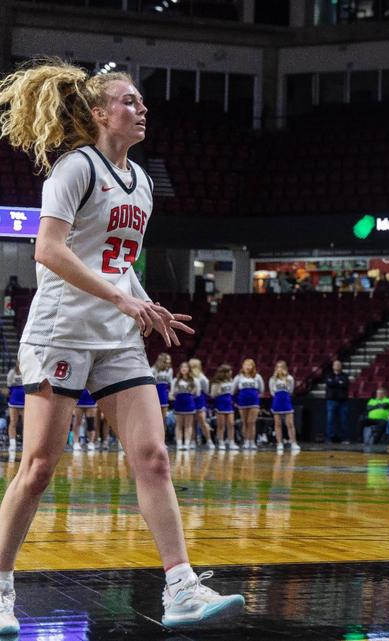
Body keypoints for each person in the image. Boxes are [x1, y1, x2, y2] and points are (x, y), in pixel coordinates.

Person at [0, 60, 248, 626]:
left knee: (154, 458)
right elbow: (49, 250)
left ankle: (181, 587)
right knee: (38, 467)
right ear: (97, 112)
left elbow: (117, 262)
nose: (141, 110)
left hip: (115, 340)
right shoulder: (74, 168)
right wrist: (122, 299)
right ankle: (1, 587)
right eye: (129, 101)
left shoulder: (143, 182)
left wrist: (142, 298)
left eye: (141, 104)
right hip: (61, 330)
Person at [269, 361, 299, 454]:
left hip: (286, 401)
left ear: (285, 368)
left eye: (281, 367)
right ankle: (279, 444)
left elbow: (291, 391)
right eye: (278, 367)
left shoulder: (290, 378)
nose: (279, 369)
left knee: (290, 424)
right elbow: (272, 392)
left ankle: (293, 443)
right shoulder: (272, 379)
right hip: (277, 401)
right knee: (277, 424)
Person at [234, 358, 263, 451]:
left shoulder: (257, 376)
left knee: (251, 422)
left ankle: (252, 441)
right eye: (246, 364)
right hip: (242, 401)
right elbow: (233, 389)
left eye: (250, 365)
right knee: (245, 422)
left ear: (253, 366)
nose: (247, 366)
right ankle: (246, 441)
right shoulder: (238, 377)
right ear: (243, 366)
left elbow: (261, 389)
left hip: (254, 401)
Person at [172, 362, 198, 450]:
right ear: (180, 369)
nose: (184, 368)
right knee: (178, 425)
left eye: (186, 367)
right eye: (182, 367)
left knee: (188, 425)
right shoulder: (175, 380)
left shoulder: (194, 380)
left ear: (189, 369)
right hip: (178, 403)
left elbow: (197, 392)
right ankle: (179, 444)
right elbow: (172, 393)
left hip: (189, 403)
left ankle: (187, 443)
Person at [210, 364, 236, 452]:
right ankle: (220, 442)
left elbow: (232, 392)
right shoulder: (216, 382)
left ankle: (231, 441)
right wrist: (219, 390)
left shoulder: (231, 380)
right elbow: (213, 394)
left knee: (231, 424)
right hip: (220, 403)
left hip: (229, 403)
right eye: (229, 371)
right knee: (221, 425)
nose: (231, 372)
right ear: (224, 373)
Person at [188, 358, 213, 450]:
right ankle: (193, 441)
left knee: (202, 421)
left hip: (199, 400)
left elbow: (206, 390)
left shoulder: (202, 377)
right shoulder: (187, 376)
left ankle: (209, 440)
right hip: (189, 398)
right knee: (191, 422)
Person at [324, 360, 350, 443]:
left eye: (339, 364)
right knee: (330, 420)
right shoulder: (329, 375)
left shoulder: (345, 376)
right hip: (331, 401)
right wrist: (338, 383)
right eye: (335, 364)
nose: (337, 366)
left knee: (344, 420)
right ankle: (330, 438)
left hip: (343, 401)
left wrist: (335, 383)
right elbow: (329, 384)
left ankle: (344, 438)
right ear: (333, 366)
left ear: (341, 366)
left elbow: (344, 384)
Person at [5, 366, 22, 453]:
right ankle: (12, 444)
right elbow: (9, 385)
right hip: (15, 398)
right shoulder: (12, 372)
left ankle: (27, 443)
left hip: (25, 399)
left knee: (27, 423)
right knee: (13, 422)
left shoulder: (27, 369)